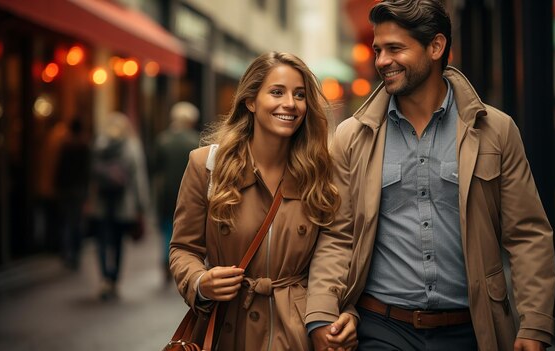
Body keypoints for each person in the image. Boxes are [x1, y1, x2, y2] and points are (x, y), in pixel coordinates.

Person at [305, 1, 555, 351]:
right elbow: (337, 235)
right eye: (378, 50)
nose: (381, 61)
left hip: (472, 330)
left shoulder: (495, 131)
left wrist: (535, 324)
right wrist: (321, 313)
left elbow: (527, 234)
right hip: (381, 327)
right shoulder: (352, 136)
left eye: (395, 48)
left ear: (436, 47)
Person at [169, 51, 358, 350]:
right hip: (228, 328)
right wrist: (200, 282)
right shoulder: (207, 166)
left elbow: (334, 252)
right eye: (276, 92)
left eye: (299, 95)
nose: (290, 104)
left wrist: (339, 312)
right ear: (251, 100)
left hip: (295, 331)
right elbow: (183, 248)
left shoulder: (321, 171)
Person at [88, 111, 150, 300]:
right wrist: (142, 205)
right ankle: (114, 279)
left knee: (101, 241)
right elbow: (138, 177)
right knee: (118, 242)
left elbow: (90, 174)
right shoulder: (131, 146)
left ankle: (104, 277)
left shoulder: (98, 144)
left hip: (101, 201)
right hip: (123, 202)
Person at [153, 101, 201, 283]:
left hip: (166, 194)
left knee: (167, 229)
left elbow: (155, 169)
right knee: (189, 229)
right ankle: (186, 265)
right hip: (191, 193)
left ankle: (167, 261)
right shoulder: (196, 141)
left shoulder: (162, 140)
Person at [55, 117, 91, 269]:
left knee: (67, 221)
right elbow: (87, 171)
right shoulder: (84, 147)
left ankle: (67, 251)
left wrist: (58, 186)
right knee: (76, 222)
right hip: (78, 189)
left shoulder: (66, 146)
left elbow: (60, 169)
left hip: (67, 188)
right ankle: (75, 252)